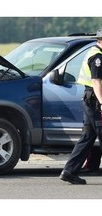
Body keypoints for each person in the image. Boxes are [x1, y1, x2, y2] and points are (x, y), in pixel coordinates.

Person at [59, 28, 102, 184]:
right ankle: (69, 171)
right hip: (95, 102)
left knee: (87, 137)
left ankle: (69, 172)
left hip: (89, 100)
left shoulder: (93, 51)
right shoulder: (97, 57)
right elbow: (97, 82)